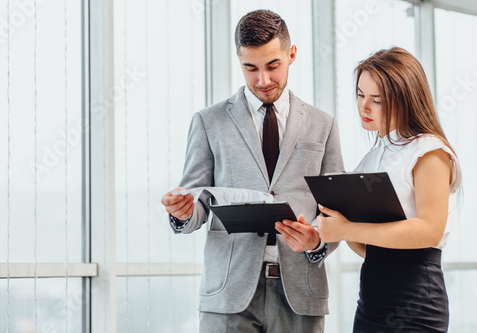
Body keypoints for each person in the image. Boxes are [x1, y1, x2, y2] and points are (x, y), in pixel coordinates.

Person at [161, 9, 344, 333]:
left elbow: (336, 212)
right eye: (251, 68)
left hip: (300, 294)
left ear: (291, 55)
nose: (263, 80)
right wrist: (183, 212)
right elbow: (197, 201)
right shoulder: (209, 122)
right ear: (239, 60)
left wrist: (316, 240)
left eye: (273, 66)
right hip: (228, 295)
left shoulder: (323, 125)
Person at [312, 47, 461, 332]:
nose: (363, 107)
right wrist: (335, 226)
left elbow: (430, 229)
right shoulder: (370, 159)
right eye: (360, 94)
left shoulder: (429, 150)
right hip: (370, 302)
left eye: (377, 100)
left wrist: (346, 230)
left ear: (405, 100)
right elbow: (368, 246)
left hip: (416, 303)